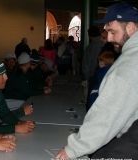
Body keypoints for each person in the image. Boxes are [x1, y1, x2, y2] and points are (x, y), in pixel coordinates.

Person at [56, 2, 138, 159]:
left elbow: (106, 116)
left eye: (113, 32)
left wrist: (72, 150)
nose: (108, 38)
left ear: (131, 27)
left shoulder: (128, 66)